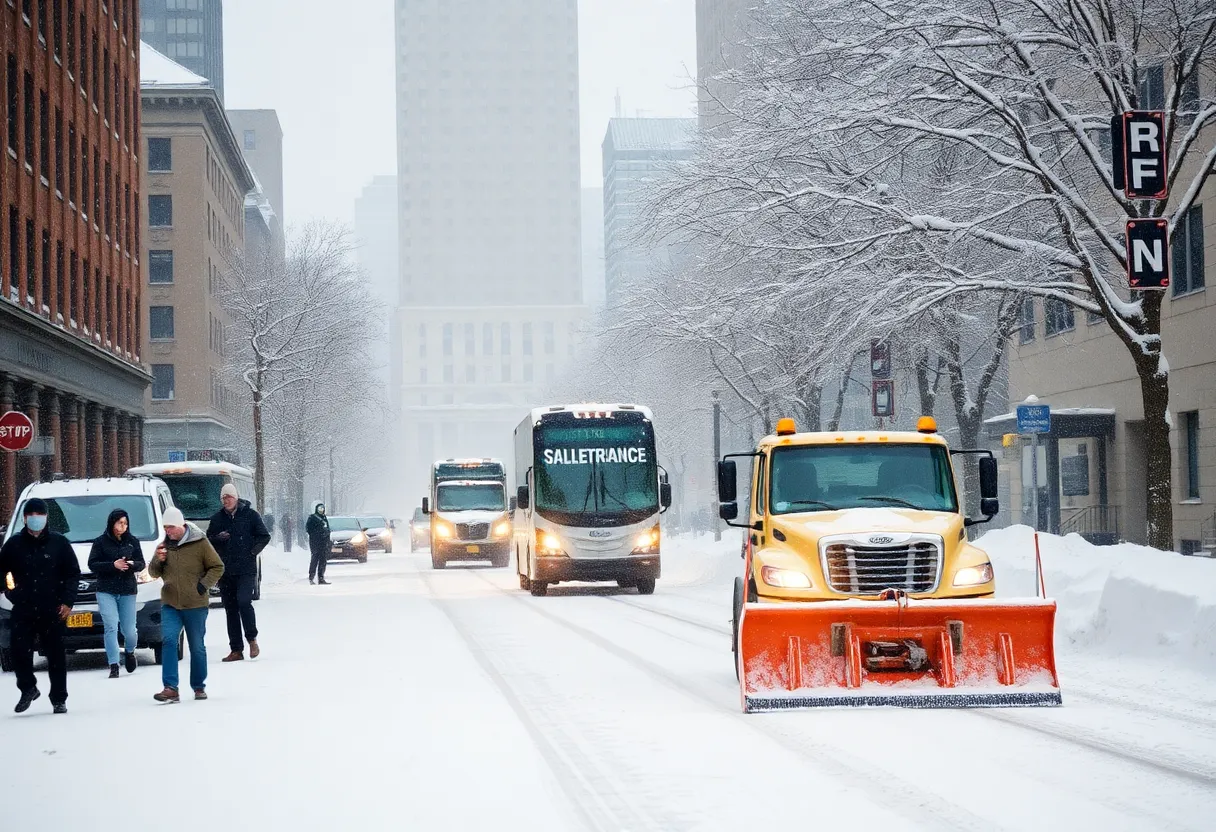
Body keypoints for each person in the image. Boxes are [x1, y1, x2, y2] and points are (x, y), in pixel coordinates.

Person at [0, 498, 80, 714]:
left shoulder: (59, 543)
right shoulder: (14, 544)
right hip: (23, 607)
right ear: (25, 519)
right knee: (18, 651)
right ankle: (28, 688)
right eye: (32, 516)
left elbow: (72, 573)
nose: (36, 520)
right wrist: (10, 590)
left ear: (46, 518)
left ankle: (59, 698)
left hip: (52, 608)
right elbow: (2, 571)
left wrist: (67, 601)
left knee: (55, 655)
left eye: (40, 515)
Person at [148, 507, 224, 703]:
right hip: (171, 603)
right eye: (165, 528)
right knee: (169, 641)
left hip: (195, 604)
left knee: (197, 647)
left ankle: (199, 686)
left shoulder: (200, 542)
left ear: (181, 524)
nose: (168, 531)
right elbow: (154, 572)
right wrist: (158, 559)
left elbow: (217, 566)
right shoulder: (164, 545)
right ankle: (170, 687)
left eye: (171, 527)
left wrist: (202, 586)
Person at [207, 484, 270, 662]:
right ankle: (236, 649)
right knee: (230, 609)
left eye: (229, 497)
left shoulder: (250, 516)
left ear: (236, 498)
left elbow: (264, 536)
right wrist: (217, 539)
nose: (226, 500)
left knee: (244, 601)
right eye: (224, 498)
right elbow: (208, 541)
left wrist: (252, 551)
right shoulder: (217, 519)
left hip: (246, 570)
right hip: (225, 571)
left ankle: (252, 639)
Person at [88, 509, 146, 678]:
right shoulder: (100, 542)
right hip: (106, 589)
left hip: (127, 589)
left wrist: (132, 564)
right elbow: (93, 564)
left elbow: (141, 563)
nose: (123, 526)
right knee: (111, 626)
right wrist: (112, 565)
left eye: (126, 523)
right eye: (120, 522)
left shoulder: (132, 541)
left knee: (129, 630)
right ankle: (113, 663)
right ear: (112, 523)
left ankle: (129, 651)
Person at [306, 502, 331, 585]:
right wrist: (318, 534)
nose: (321, 510)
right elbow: (309, 529)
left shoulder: (324, 518)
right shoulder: (312, 518)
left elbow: (327, 528)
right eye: (320, 508)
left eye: (322, 508)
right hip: (315, 542)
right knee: (315, 559)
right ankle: (311, 577)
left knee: (323, 560)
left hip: (324, 542)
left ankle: (321, 578)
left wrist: (327, 535)